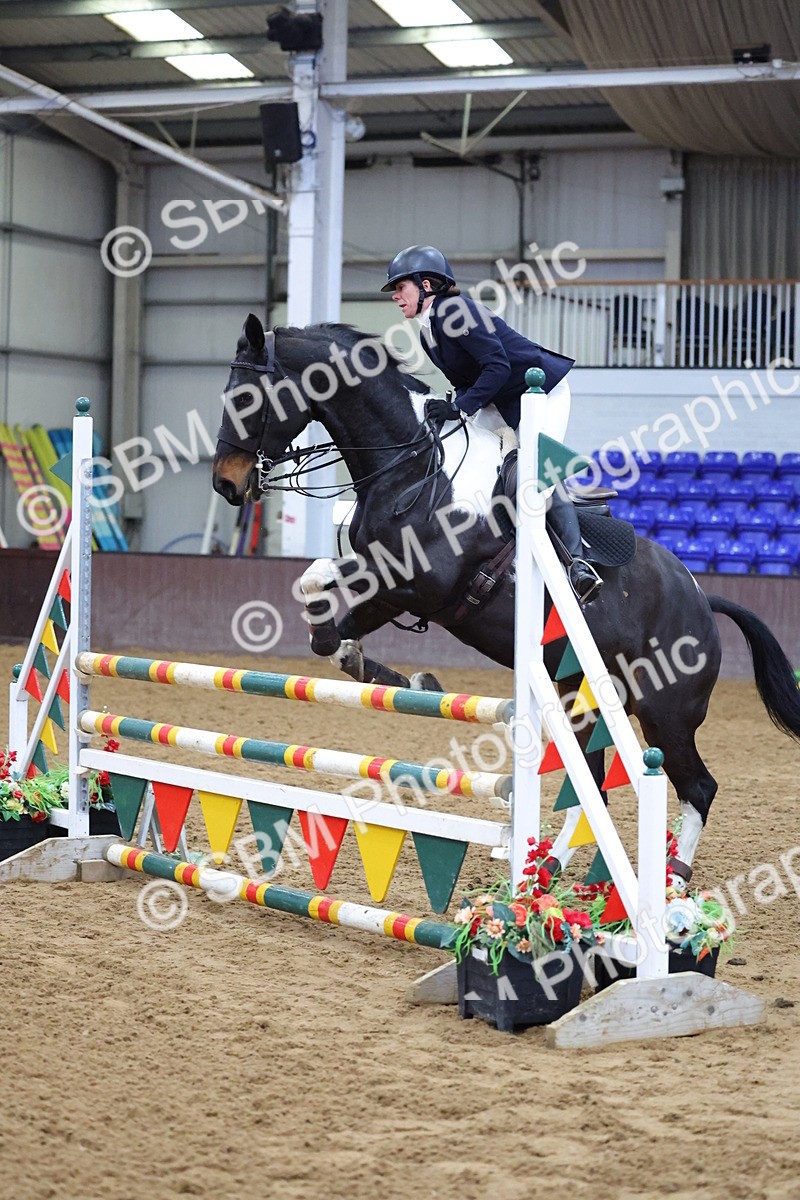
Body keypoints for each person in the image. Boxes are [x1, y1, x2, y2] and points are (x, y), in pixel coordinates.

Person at [382, 244, 603, 603]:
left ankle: (579, 563)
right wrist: (453, 406)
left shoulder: (457, 310)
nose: (395, 296)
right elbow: (468, 380)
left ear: (426, 285)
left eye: (399, 287)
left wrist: (462, 407)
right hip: (500, 398)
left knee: (535, 470)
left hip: (541, 392)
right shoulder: (427, 331)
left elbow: (497, 365)